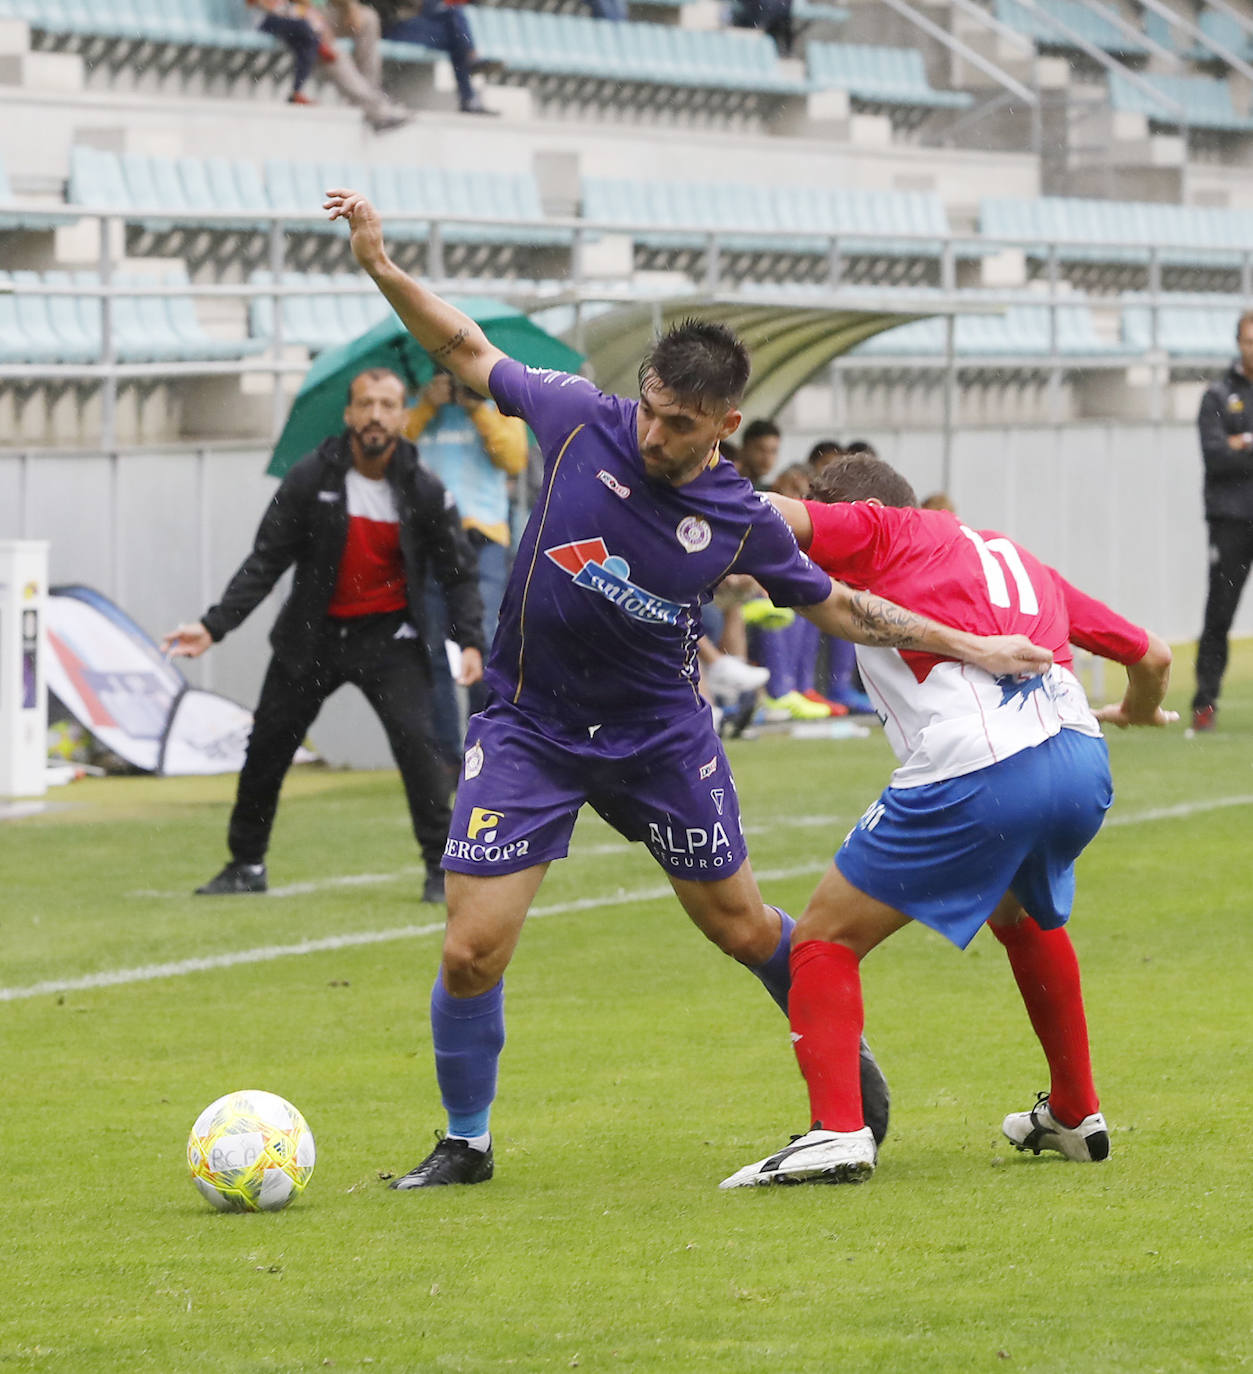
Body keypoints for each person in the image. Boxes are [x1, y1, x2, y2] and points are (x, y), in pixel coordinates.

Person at [324, 186, 1053, 1189]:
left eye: (677, 424)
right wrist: (381, 265)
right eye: (650, 410)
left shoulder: (742, 513)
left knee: (742, 927)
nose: (654, 435)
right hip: (529, 726)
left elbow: (841, 609)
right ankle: (466, 1141)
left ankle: (836, 1061)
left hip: (658, 738)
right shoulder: (582, 420)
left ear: (725, 422)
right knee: (468, 952)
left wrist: (971, 644)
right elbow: (460, 348)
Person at [721, 453, 1176, 1188]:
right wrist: (1142, 712)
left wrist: (682, 484)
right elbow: (1149, 654)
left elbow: (773, 513)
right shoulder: (1012, 555)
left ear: (846, 509)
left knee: (822, 940)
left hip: (984, 769)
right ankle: (1074, 1111)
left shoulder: (880, 529)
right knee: (1022, 914)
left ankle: (836, 1131)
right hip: (1081, 764)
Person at [161, 368, 486, 906]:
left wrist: (470, 641)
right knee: (266, 746)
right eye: (365, 404)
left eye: (387, 404)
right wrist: (213, 626)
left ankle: (440, 871)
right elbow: (265, 561)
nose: (376, 415)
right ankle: (246, 864)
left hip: (390, 638)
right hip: (311, 639)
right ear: (349, 415)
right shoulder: (312, 478)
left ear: (404, 418)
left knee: (420, 750)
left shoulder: (424, 489)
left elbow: (460, 572)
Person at [405, 369, 528, 746]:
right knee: (433, 650)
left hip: (483, 539)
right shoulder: (417, 405)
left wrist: (476, 408)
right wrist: (428, 404)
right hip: (429, 541)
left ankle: (486, 746)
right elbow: (395, 452)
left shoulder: (499, 409)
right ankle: (446, 755)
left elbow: (514, 460)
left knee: (487, 641)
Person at [1192, 309, 1253, 732]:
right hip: (1231, 520)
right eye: (1250, 340)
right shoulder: (1217, 395)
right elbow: (1216, 456)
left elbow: (1233, 451)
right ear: (1238, 342)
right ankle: (1205, 704)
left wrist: (1242, 441)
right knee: (1220, 613)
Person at [364, 0, 496, 115]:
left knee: (456, 27)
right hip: (391, 27)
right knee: (456, 30)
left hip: (409, 24)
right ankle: (469, 91)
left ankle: (469, 79)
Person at [317, 0, 415, 131]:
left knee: (368, 19)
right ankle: (375, 106)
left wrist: (351, 7)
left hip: (324, 12)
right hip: (298, 16)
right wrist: (316, 21)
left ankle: (370, 101)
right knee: (330, 52)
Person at [246, 0, 323, 105]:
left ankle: (296, 92)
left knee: (308, 42)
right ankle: (319, 45)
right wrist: (278, 10)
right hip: (266, 20)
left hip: (284, 19)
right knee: (305, 30)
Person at [734, 417, 781, 489]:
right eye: (761, 450)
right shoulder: (730, 481)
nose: (767, 458)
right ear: (744, 449)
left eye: (773, 451)